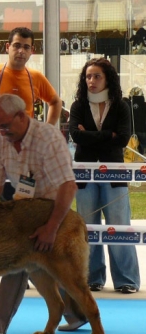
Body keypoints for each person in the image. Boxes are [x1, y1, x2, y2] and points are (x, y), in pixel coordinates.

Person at [0, 94, 83, 334]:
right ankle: (76, 313)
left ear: (22, 116)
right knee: (42, 269)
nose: (1, 132)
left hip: (54, 209)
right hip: (23, 211)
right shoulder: (2, 142)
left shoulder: (48, 139)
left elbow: (68, 187)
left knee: (17, 260)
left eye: (4, 126)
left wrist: (51, 228)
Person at [69, 58, 141, 295]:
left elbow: (122, 139)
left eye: (97, 76)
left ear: (107, 78)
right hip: (84, 174)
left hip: (114, 173)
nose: (91, 81)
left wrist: (89, 135)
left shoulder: (121, 105)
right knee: (87, 226)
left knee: (120, 225)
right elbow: (75, 137)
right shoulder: (78, 105)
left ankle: (126, 280)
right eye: (88, 76)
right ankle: (92, 278)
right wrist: (105, 135)